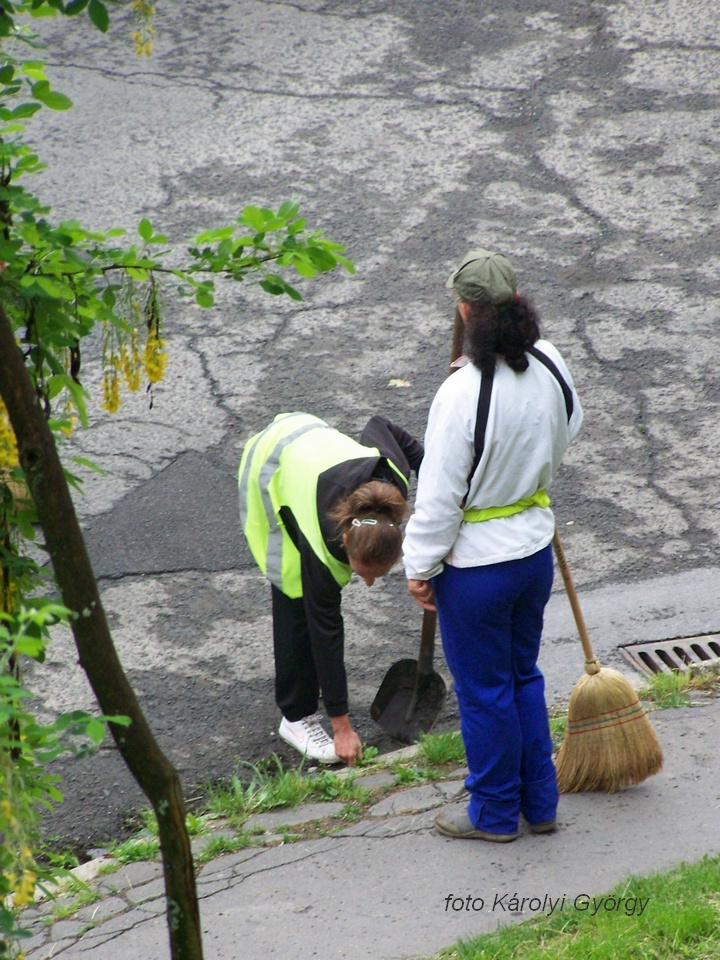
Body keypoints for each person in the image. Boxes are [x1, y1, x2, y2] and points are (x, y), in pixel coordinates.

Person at [402, 248, 583, 841]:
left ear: (463, 308)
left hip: (478, 569)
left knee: (485, 694)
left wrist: (419, 567)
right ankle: (541, 802)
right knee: (523, 677)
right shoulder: (551, 362)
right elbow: (568, 426)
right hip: (533, 553)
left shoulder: (461, 392)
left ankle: (495, 814)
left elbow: (438, 496)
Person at [238, 411, 423, 766]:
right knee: (294, 591)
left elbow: (382, 426)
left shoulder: (391, 480)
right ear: (344, 540)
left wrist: (440, 485)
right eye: (363, 573)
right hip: (269, 464)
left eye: (378, 575)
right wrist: (342, 725)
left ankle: (300, 713)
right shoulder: (322, 541)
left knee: (306, 596)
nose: (367, 582)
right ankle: (295, 718)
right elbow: (327, 635)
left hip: (306, 434)